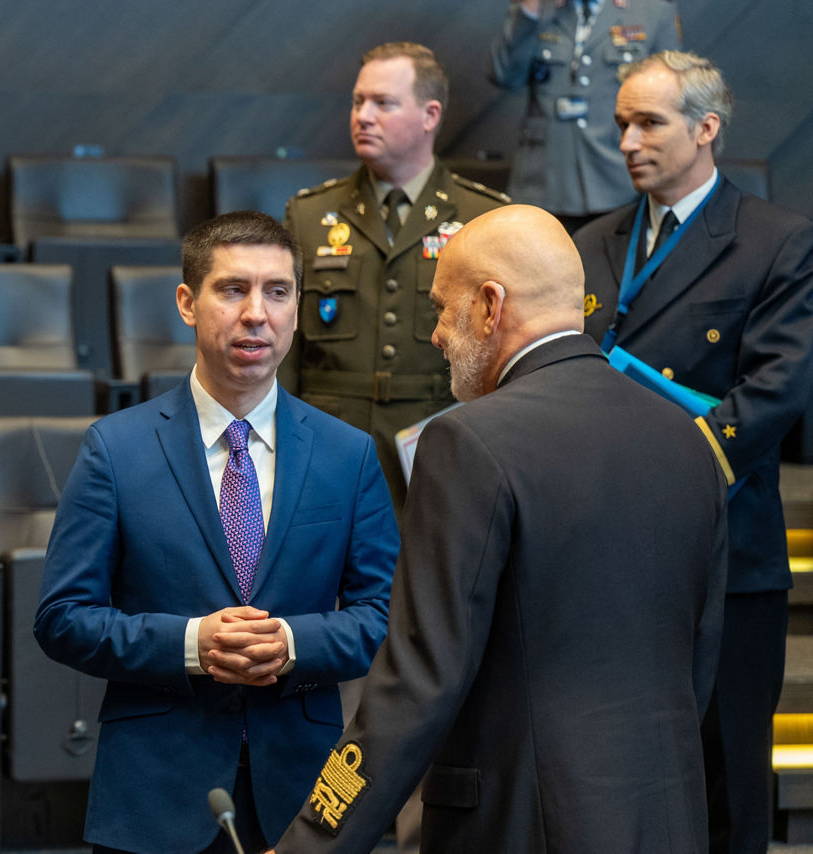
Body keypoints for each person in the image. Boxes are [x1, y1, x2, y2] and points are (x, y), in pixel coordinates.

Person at [271, 204, 727, 853]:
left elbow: (417, 680)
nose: (434, 334)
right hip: (665, 818)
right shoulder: (685, 441)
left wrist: (312, 842)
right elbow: (699, 659)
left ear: (490, 305)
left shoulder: (467, 441)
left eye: (440, 307)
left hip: (522, 826)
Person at [34, 211, 398, 853]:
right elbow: (62, 617)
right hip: (153, 792)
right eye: (232, 289)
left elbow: (385, 617)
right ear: (186, 302)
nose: (256, 313)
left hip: (304, 796)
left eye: (277, 291)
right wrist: (190, 644)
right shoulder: (116, 450)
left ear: (297, 308)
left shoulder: (349, 455)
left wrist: (290, 642)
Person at [574, 50, 813, 853]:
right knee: (620, 772)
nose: (629, 142)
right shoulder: (594, 241)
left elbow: (776, 391)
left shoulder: (776, 241)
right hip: (603, 550)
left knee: (726, 776)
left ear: (707, 128)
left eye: (649, 122)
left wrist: (666, 474)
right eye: (621, 125)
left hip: (722, 549)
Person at [281, 41, 508, 511]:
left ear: (430, 115)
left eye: (383, 103)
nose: (363, 115)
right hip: (330, 442)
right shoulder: (310, 214)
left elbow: (499, 351)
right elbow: (287, 348)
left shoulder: (482, 216)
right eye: (358, 101)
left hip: (435, 442)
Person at [487, 0, 681, 230]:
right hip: (543, 182)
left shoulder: (651, 9)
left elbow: (668, 98)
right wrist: (530, 9)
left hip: (617, 181)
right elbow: (504, 75)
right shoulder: (538, 7)